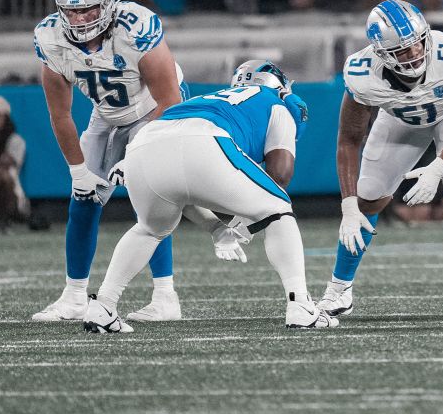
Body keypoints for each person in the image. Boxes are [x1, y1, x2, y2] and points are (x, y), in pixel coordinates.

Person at [82, 60, 334, 333]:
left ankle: (103, 306)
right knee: (279, 211)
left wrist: (218, 227)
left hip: (144, 144)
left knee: (149, 229)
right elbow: (280, 174)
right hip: (204, 140)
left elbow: (188, 188)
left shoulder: (212, 99)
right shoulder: (274, 102)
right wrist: (245, 217)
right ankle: (301, 305)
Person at [321, 0, 443, 317]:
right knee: (369, 195)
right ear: (382, 53)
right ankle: (338, 290)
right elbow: (348, 141)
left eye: (419, 43)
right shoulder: (363, 73)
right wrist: (349, 205)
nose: (416, 53)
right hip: (400, 119)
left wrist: (438, 166)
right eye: (403, 50)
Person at [31, 0, 188, 323]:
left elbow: (171, 102)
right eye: (71, 10)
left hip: (155, 110)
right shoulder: (50, 38)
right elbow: (61, 115)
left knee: (151, 200)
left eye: (88, 9)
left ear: (108, 4)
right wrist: (77, 172)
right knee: (83, 198)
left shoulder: (136, 27)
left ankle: (165, 296)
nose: (80, 18)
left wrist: (136, 153)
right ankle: (73, 296)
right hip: (107, 114)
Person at [0, 95, 31, 225]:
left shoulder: (15, 140)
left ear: (5, 117)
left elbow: (4, 164)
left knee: (0, 176)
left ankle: (2, 218)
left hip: (7, 191)